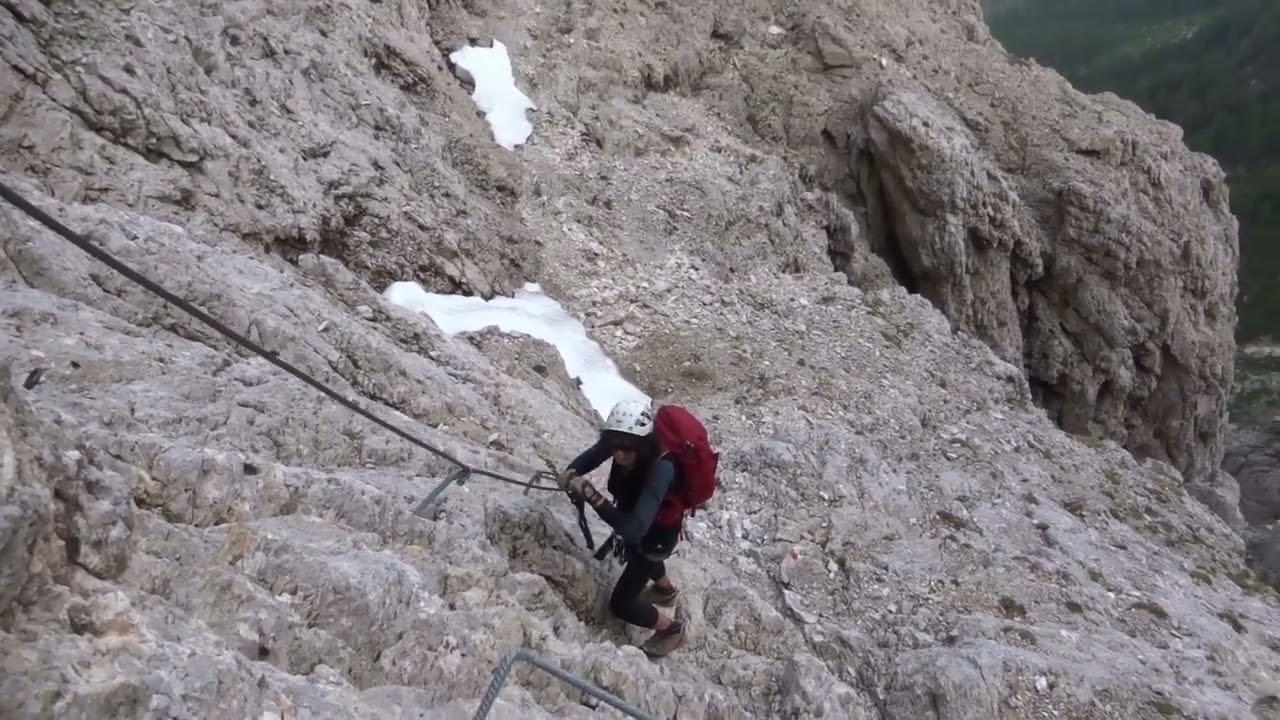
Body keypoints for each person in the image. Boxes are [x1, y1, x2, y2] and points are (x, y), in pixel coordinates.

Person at [557, 399, 687, 658]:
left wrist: (593, 496)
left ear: (642, 444)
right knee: (642, 557)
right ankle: (665, 591)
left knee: (622, 604)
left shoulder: (662, 468)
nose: (618, 454)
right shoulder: (624, 440)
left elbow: (635, 530)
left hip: (656, 536)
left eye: (626, 449)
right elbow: (596, 454)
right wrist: (570, 473)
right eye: (614, 446)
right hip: (636, 520)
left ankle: (672, 630)